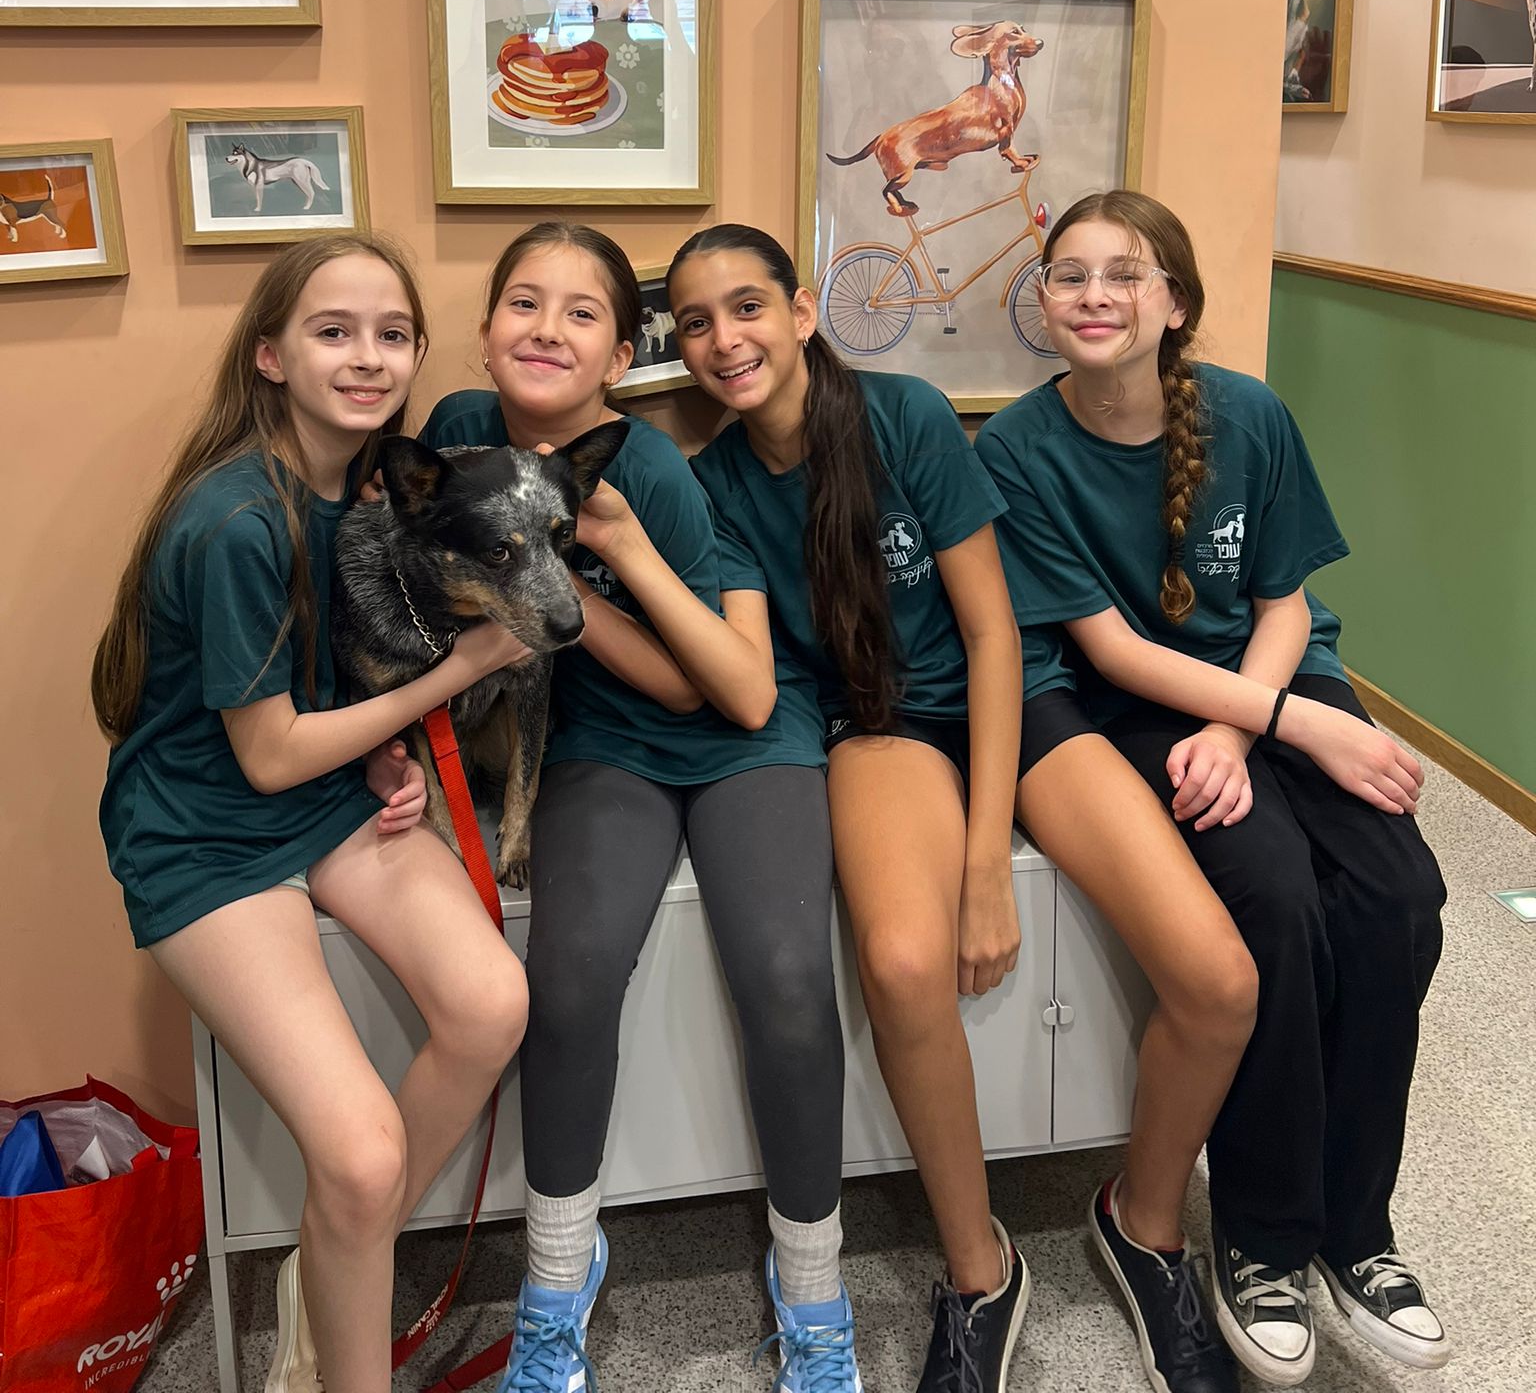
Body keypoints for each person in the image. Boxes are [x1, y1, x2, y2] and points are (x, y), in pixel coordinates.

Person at [977, 189, 1448, 1386]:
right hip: (1137, 702)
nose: (1093, 295)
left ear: (1174, 302)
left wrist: (1255, 730)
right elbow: (1111, 650)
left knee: (1401, 895)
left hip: (1270, 682)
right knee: (1274, 898)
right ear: (1044, 300)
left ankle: (1358, 1226)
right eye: (1069, 274)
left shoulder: (1250, 414)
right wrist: (1272, 730)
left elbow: (1284, 601)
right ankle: (1265, 1235)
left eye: (1123, 273)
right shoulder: (1017, 449)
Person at [421, 222, 858, 1393]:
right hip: (603, 744)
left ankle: (815, 1296)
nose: (545, 328)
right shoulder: (456, 433)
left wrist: (572, 571)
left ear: (620, 356)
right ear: (484, 329)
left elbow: (717, 688)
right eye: (523, 301)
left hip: (739, 736)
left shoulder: (649, 470)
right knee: (565, 980)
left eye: (582, 312)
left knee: (788, 979)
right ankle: (556, 1287)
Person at [94, 235, 530, 1393]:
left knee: (493, 1001)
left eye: (393, 333)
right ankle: (348, 1269)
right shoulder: (238, 518)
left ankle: (338, 1248)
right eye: (334, 331)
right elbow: (269, 749)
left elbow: (326, 682)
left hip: (322, 795)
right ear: (271, 355)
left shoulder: (375, 492)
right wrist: (459, 672)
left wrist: (391, 750)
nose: (367, 356)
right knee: (362, 1151)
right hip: (205, 835)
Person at [668, 223, 1044, 1393]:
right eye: (695, 322)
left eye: (747, 306)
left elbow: (992, 633)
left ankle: (1022, 1260)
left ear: (800, 312)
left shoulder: (906, 415)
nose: (725, 339)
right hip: (873, 724)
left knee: (1193, 949)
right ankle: (984, 1270)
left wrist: (987, 863)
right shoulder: (714, 484)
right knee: (899, 957)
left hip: (988, 698)